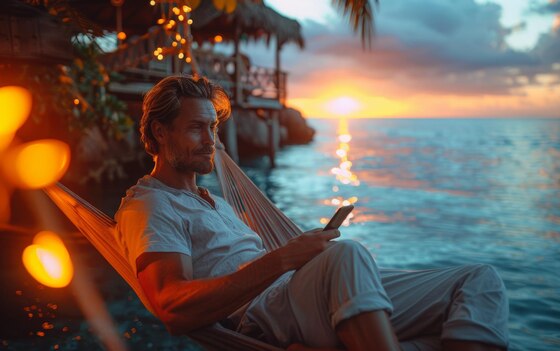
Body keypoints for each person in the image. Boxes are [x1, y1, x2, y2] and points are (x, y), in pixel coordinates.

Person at [114, 75, 510, 351]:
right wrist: (284, 258)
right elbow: (171, 307)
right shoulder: (150, 205)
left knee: (478, 281)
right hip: (268, 312)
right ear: (160, 132)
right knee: (346, 253)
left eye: (213, 128)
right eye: (196, 128)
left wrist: (294, 262)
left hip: (300, 294)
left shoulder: (214, 200)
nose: (211, 142)